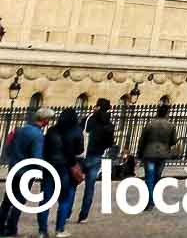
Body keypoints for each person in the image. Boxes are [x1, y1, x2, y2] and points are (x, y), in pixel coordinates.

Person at [1, 107, 50, 238]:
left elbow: (9, 148)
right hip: (26, 172)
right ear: (45, 120)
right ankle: (11, 227)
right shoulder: (38, 136)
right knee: (19, 201)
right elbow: (36, 157)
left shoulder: (21, 130)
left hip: (14, 168)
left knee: (7, 200)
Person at [42, 106, 84, 237]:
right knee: (65, 199)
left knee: (46, 200)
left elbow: (45, 149)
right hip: (65, 168)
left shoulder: (51, 130)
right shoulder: (76, 131)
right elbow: (79, 150)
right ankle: (60, 229)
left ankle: (42, 231)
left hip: (49, 167)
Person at [75, 100, 115, 224]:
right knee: (90, 187)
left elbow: (78, 135)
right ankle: (83, 215)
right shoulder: (109, 123)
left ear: (97, 107)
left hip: (83, 155)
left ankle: (65, 212)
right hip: (97, 156)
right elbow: (110, 142)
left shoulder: (87, 119)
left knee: (73, 183)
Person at [135, 102, 179, 197]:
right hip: (162, 154)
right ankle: (153, 196)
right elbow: (174, 141)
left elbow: (142, 140)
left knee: (149, 177)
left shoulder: (150, 124)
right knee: (157, 176)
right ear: (167, 113)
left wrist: (139, 154)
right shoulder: (171, 125)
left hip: (149, 153)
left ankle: (150, 199)